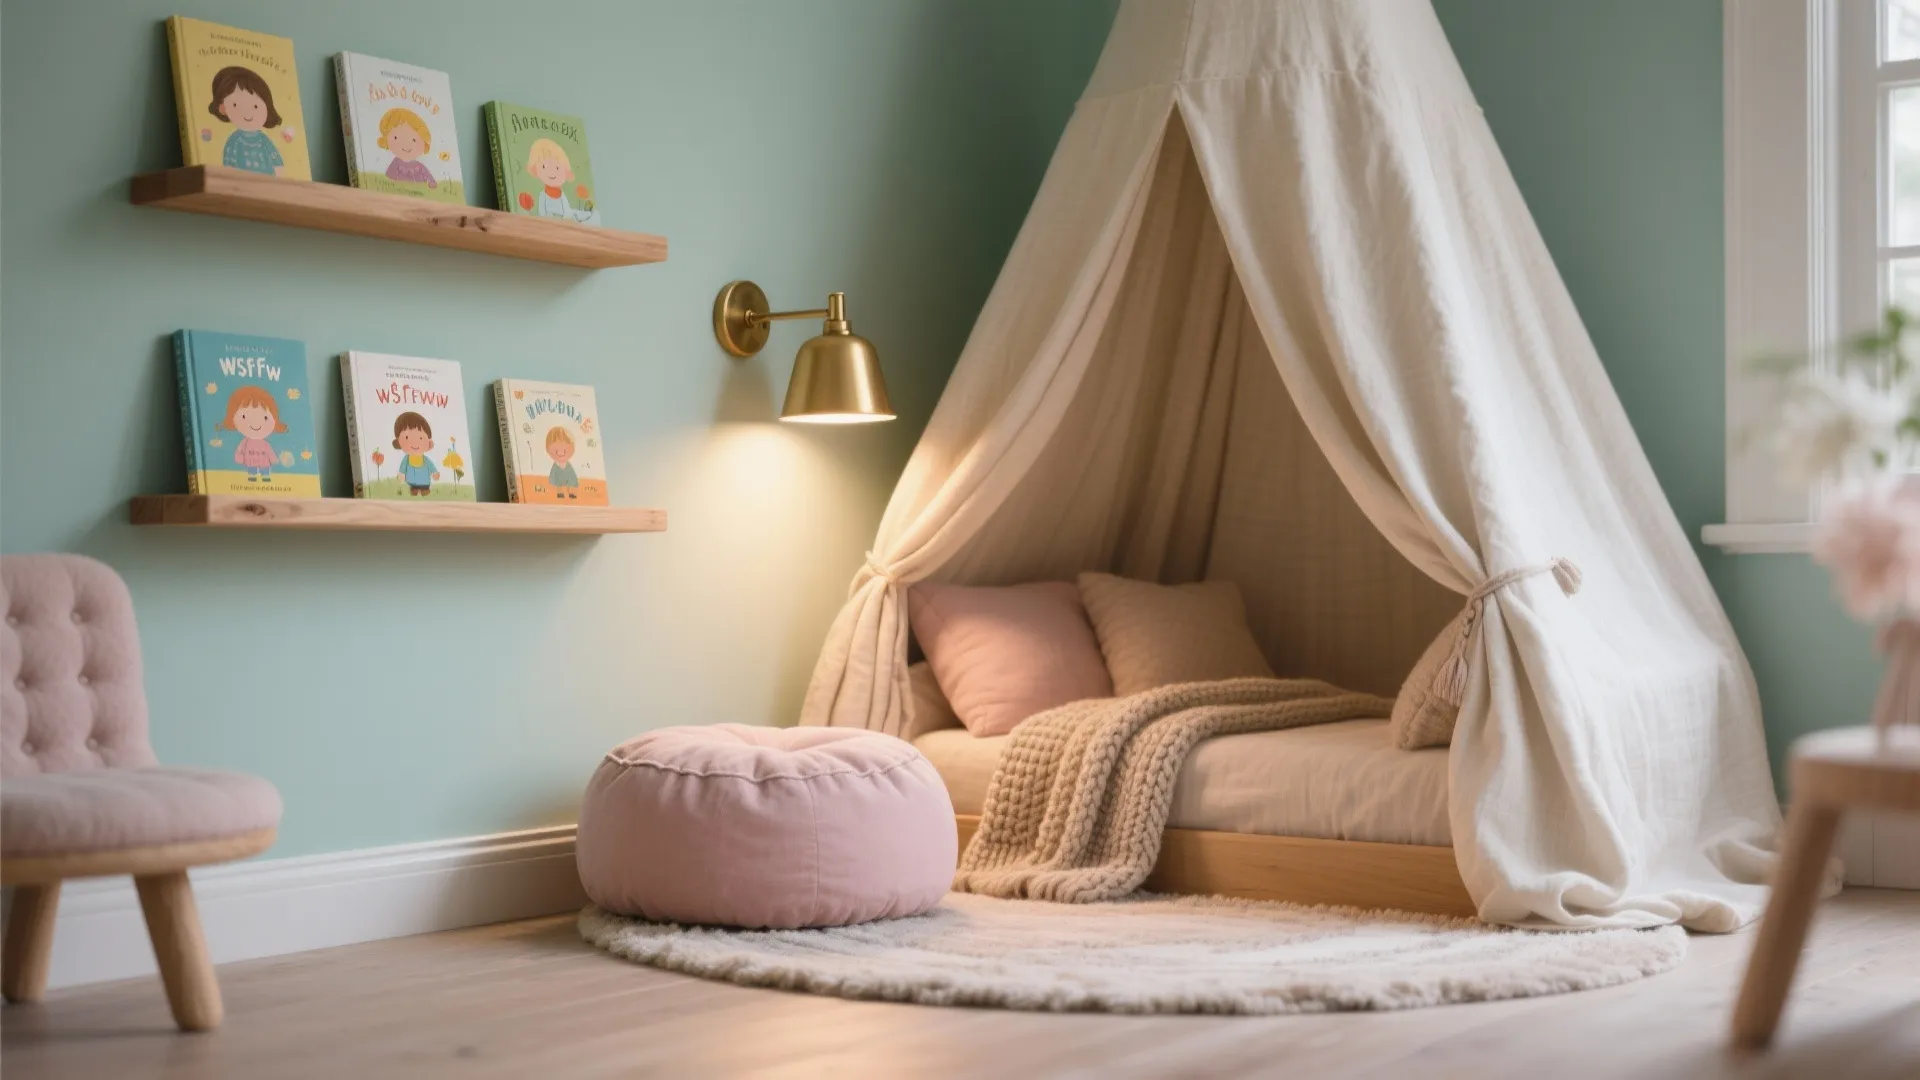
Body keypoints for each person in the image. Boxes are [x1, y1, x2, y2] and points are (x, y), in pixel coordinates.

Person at [208, 66, 289, 176]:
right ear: (223, 108)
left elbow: (276, 161)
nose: (247, 113)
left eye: (255, 106)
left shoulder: (264, 140)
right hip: (242, 185)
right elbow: (228, 164)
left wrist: (280, 181)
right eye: (235, 105)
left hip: (268, 184)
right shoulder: (234, 140)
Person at [218, 386, 287, 482]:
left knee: (265, 469)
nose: (255, 423)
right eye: (244, 416)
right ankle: (252, 476)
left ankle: (265, 476)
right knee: (252, 470)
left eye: (265, 418)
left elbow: (269, 451)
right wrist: (239, 458)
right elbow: (239, 450)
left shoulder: (265, 444)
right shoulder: (245, 442)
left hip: (264, 462)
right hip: (251, 461)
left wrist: (273, 459)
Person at [378, 108, 437, 189]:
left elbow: (428, 176)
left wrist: (431, 182)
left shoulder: (419, 167)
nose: (406, 145)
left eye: (414, 140)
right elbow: (390, 179)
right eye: (396, 138)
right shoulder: (396, 163)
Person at [392, 412, 440, 496]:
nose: (415, 442)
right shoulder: (406, 459)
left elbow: (431, 466)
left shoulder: (425, 459)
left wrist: (435, 473)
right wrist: (401, 474)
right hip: (411, 482)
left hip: (424, 481)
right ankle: (414, 489)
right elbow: (403, 467)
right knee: (413, 491)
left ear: (429, 443)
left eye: (421, 438)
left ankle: (424, 489)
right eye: (407, 437)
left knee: (425, 490)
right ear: (398, 442)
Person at [545, 426, 580, 499]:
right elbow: (553, 473)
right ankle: (560, 493)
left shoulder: (568, 466)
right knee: (558, 484)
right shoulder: (555, 466)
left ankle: (570, 493)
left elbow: (571, 474)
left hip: (567, 476)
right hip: (558, 476)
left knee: (569, 482)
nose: (560, 451)